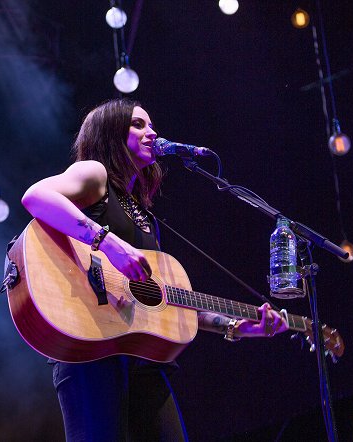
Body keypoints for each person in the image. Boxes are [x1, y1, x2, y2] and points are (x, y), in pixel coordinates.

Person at [21, 98, 288, 441]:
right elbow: (35, 196)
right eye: (138, 124)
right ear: (111, 133)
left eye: (150, 124)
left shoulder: (145, 218)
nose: (152, 131)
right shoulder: (93, 173)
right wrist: (110, 244)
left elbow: (168, 303)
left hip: (144, 362)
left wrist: (236, 326)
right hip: (91, 349)